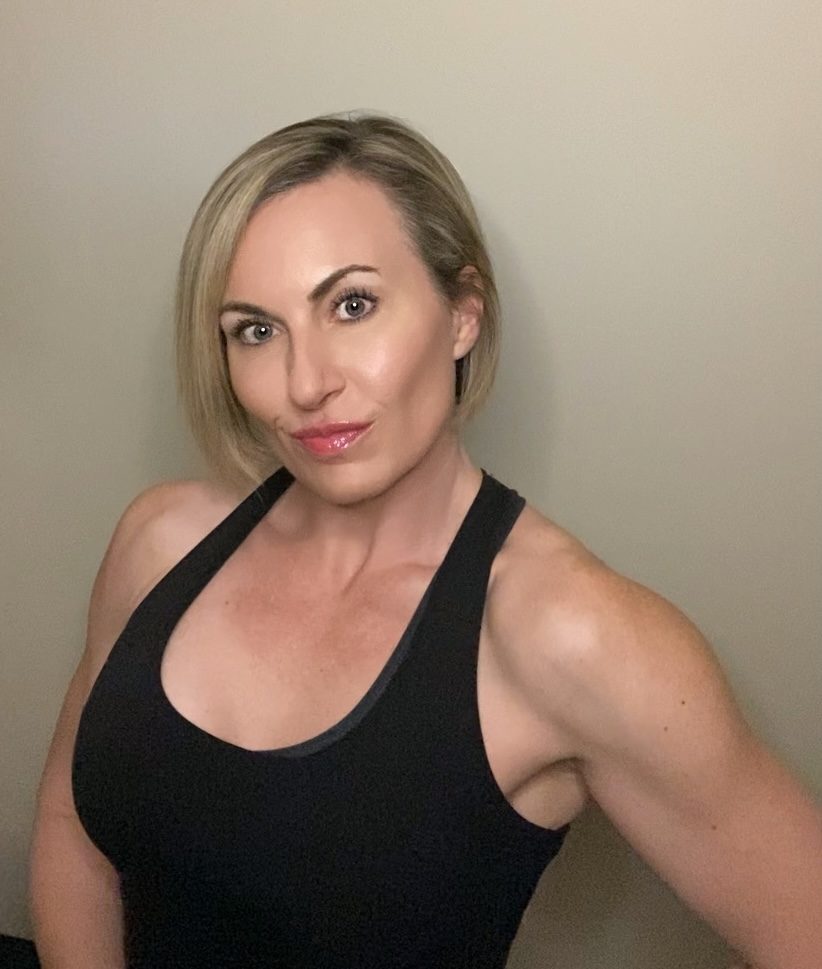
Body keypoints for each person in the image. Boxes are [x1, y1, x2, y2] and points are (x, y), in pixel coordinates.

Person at [29, 112, 821, 969]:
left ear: (463, 315)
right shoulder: (159, 543)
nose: (306, 382)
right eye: (256, 329)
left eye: (353, 305)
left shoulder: (572, 635)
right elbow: (72, 827)